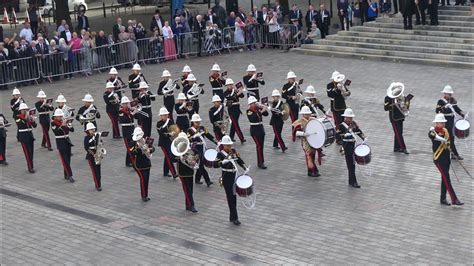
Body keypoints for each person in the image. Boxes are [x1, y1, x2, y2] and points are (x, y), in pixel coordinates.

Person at [429, 114, 463, 207]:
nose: (443, 124)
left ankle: (442, 198)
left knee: (444, 178)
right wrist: (442, 139)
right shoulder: (432, 132)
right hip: (438, 159)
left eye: (444, 122)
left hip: (446, 158)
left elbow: (448, 143)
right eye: (441, 122)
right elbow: (433, 137)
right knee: (447, 179)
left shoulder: (446, 131)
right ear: (436, 123)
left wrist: (453, 153)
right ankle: (454, 199)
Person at [214, 135, 249, 225]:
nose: (229, 147)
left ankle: (232, 216)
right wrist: (223, 161)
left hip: (234, 176)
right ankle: (235, 218)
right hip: (227, 177)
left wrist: (244, 167)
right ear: (224, 145)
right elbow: (215, 164)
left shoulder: (233, 151)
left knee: (234, 197)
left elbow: (238, 160)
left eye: (230, 145)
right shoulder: (220, 154)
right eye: (227, 145)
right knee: (230, 197)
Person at [336, 108, 366, 188]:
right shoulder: (341, 126)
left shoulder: (353, 124)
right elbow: (337, 135)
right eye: (349, 117)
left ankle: (351, 181)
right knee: (351, 164)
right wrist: (344, 135)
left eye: (351, 117)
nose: (350, 119)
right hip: (347, 146)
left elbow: (358, 131)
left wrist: (363, 137)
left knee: (352, 164)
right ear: (345, 117)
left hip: (353, 145)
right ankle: (354, 182)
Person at [436, 85, 465, 160]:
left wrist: (463, 114)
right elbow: (437, 111)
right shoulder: (441, 101)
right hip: (445, 121)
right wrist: (444, 107)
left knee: (451, 137)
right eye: (446, 93)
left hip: (452, 120)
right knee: (448, 137)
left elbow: (456, 109)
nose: (447, 95)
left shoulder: (452, 100)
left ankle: (452, 154)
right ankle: (454, 154)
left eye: (448, 94)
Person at [187, 114, 217, 186]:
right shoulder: (189, 130)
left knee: (201, 164)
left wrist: (216, 141)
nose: (198, 123)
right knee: (201, 165)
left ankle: (197, 179)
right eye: (196, 122)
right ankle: (208, 181)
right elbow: (188, 139)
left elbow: (208, 135)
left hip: (203, 147)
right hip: (196, 148)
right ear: (193, 122)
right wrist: (194, 136)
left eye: (198, 122)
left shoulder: (202, 128)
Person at [292, 106, 321, 177]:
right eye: (306, 114)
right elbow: (296, 133)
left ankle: (310, 171)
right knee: (309, 156)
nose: (308, 115)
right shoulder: (299, 122)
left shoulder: (312, 119)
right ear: (303, 114)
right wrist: (304, 134)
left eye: (308, 114)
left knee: (313, 155)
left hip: (313, 141)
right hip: (305, 142)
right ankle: (314, 170)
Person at [129, 127, 155, 202]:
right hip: (139, 164)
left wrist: (150, 149)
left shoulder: (146, 140)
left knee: (146, 179)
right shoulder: (133, 143)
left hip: (147, 163)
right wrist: (140, 149)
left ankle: (146, 194)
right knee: (143, 179)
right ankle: (143, 196)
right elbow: (132, 152)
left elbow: (153, 148)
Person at [175, 132, 198, 213]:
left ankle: (187, 205)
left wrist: (195, 159)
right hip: (182, 171)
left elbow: (197, 154)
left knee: (190, 188)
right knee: (187, 189)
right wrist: (177, 158)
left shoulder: (190, 148)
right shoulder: (176, 148)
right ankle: (192, 205)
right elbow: (172, 159)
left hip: (190, 170)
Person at [384, 82, 410, 154]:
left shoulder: (401, 96)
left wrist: (406, 102)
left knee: (399, 132)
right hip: (394, 117)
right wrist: (394, 104)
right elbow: (386, 108)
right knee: (398, 133)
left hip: (400, 116)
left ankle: (396, 148)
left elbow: (406, 104)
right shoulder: (388, 98)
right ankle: (403, 148)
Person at [51, 109, 75, 183]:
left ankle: (66, 174)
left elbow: (72, 130)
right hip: (60, 142)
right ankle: (70, 175)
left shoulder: (63, 121)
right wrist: (62, 125)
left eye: (61, 116)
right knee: (64, 159)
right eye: (59, 116)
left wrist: (69, 125)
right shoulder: (53, 123)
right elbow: (56, 132)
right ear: (55, 117)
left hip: (67, 141)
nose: (61, 117)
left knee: (68, 158)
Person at [247, 96, 268, 169]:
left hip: (261, 129)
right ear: (249, 104)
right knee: (259, 146)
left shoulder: (258, 108)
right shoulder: (249, 111)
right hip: (254, 131)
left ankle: (260, 161)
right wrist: (262, 110)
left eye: (255, 102)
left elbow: (266, 114)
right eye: (252, 103)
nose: (254, 104)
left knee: (261, 146)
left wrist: (263, 108)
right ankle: (260, 162)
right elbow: (254, 118)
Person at [156, 107, 178, 179]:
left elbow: (175, 129)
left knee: (167, 157)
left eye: (166, 114)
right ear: (160, 116)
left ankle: (165, 172)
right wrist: (169, 134)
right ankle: (173, 173)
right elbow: (161, 134)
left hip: (170, 142)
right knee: (168, 157)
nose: (165, 116)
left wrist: (174, 133)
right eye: (163, 115)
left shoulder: (170, 121)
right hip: (163, 143)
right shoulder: (158, 124)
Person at [16, 103, 37, 173]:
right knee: (27, 153)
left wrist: (33, 120)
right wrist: (27, 117)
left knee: (31, 152)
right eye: (23, 110)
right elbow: (21, 125)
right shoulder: (18, 117)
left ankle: (31, 165)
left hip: (30, 136)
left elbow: (34, 126)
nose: (25, 111)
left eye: (26, 109)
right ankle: (30, 167)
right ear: (20, 110)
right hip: (23, 137)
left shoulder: (28, 117)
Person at [223, 78, 246, 143]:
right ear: (226, 86)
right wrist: (237, 94)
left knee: (234, 123)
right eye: (228, 85)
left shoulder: (235, 90)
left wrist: (240, 90)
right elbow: (230, 98)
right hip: (231, 109)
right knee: (236, 124)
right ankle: (241, 138)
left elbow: (242, 96)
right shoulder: (225, 93)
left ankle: (231, 137)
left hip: (237, 109)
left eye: (231, 84)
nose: (230, 86)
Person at [84, 123, 104, 191]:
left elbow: (101, 143)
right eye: (91, 129)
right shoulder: (86, 138)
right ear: (88, 131)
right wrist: (93, 154)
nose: (93, 130)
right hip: (91, 156)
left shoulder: (97, 136)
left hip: (98, 155)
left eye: (93, 129)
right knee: (95, 172)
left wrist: (99, 139)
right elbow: (86, 148)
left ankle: (99, 184)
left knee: (99, 171)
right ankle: (97, 185)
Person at [119, 96, 137, 168]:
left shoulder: (129, 110)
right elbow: (123, 120)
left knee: (132, 146)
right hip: (126, 131)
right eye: (125, 103)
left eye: (127, 103)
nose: (127, 104)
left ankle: (128, 162)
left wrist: (136, 112)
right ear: (122, 104)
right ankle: (133, 162)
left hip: (132, 129)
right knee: (129, 147)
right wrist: (132, 114)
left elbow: (136, 118)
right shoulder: (121, 111)